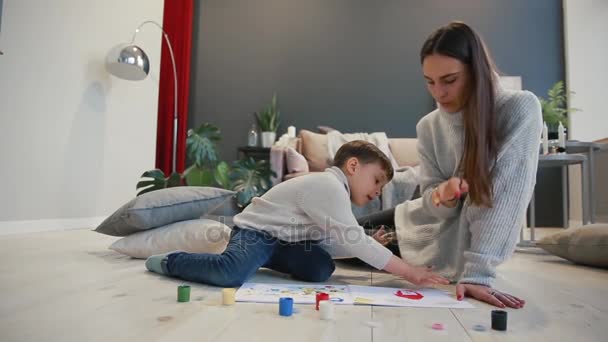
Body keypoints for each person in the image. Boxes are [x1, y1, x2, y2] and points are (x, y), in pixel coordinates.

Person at [359, 21, 542, 309]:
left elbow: (506, 195)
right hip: (416, 221)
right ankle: (264, 236)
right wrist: (440, 195)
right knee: (321, 232)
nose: (438, 93)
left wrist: (478, 273)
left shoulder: (519, 108)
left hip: (445, 247)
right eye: (429, 81)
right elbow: (430, 200)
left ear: (475, 71)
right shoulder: (429, 126)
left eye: (449, 80)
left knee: (326, 242)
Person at [145, 140, 449, 288]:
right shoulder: (328, 185)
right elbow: (355, 240)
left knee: (320, 269)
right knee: (231, 274)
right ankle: (172, 261)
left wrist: (372, 242)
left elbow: (332, 243)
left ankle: (265, 262)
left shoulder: (335, 199)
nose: (378, 192)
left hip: (286, 243)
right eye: (377, 181)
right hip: (255, 233)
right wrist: (410, 271)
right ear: (353, 166)